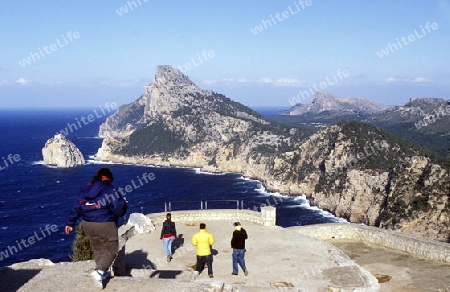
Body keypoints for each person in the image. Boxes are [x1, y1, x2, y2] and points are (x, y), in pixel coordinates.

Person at [65, 168, 128, 289]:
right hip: (105, 223)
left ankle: (102, 274)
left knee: (98, 248)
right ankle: (99, 272)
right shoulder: (110, 189)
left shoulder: (85, 189)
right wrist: (124, 204)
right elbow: (118, 210)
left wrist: (70, 222)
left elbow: (77, 207)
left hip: (88, 224)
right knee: (112, 249)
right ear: (109, 178)